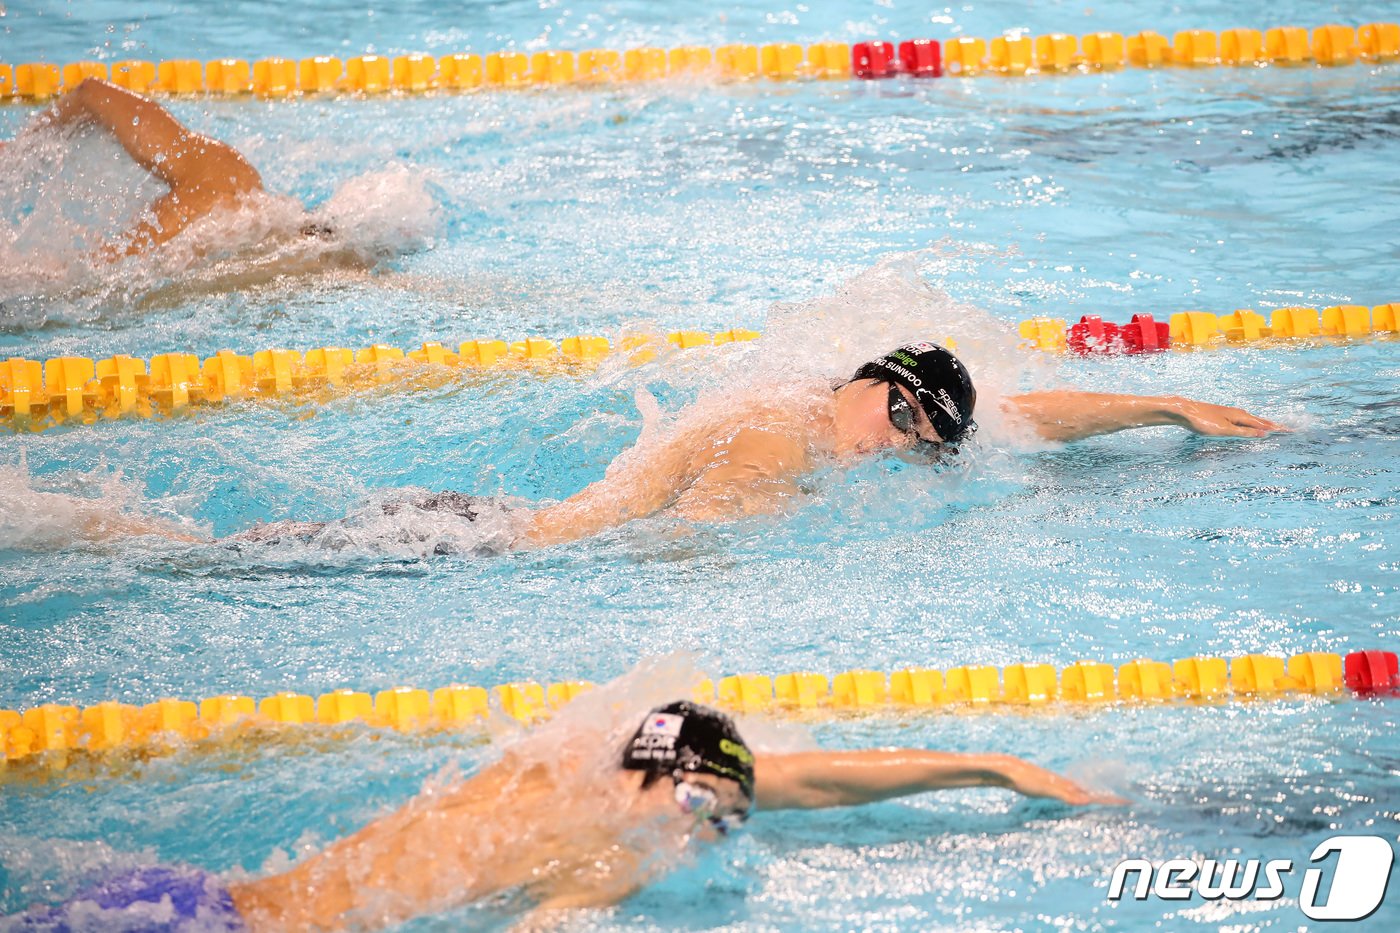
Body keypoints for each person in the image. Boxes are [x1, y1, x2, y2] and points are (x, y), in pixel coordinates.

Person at [12, 700, 1124, 930]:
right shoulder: (615, 847)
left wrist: (987, 765)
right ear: (674, 791)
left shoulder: (559, 768)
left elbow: (789, 777)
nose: (715, 834)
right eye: (715, 816)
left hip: (178, 901)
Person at [202, 340, 1286, 552]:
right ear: (876, 386)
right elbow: (682, 554)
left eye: (923, 448)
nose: (902, 448)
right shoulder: (776, 440)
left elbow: (1015, 414)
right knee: (205, 557)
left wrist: (1166, 409)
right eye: (903, 423)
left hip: (474, 523)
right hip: (468, 552)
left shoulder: (811, 396)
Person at [5, 78, 328, 259]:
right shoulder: (229, 226)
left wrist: (19, 153)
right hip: (187, 235)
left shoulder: (232, 170)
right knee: (86, 272)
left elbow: (90, 92)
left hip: (203, 201)